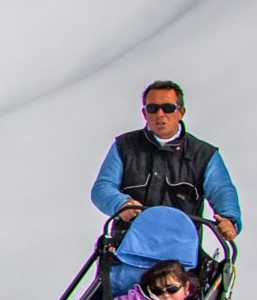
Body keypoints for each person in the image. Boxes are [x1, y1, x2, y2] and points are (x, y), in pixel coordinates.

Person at [91, 80, 240, 244]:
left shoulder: (204, 155)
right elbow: (102, 187)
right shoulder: (124, 146)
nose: (160, 114)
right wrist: (121, 204)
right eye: (152, 108)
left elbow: (221, 189)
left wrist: (228, 219)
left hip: (181, 251)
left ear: (181, 112)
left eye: (168, 108)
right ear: (144, 113)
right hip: (128, 247)